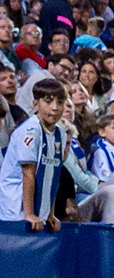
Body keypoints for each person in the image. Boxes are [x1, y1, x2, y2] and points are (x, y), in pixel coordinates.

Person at [0, 78, 68, 230]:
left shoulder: (61, 134)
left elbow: (53, 174)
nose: (55, 107)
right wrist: (29, 214)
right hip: (16, 211)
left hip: (38, 212)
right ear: (35, 104)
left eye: (60, 102)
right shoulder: (29, 131)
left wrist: (49, 213)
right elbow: (28, 174)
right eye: (48, 101)